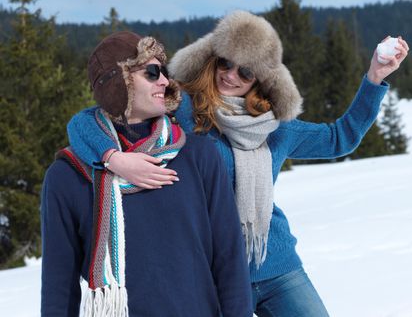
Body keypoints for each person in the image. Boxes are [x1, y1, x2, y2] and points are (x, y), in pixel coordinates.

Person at [67, 11, 409, 316]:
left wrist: (375, 77)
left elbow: (341, 137)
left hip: (277, 266)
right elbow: (87, 121)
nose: (231, 76)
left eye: (245, 71)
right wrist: (114, 158)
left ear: (260, 78)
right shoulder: (186, 110)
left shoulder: (277, 128)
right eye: (225, 63)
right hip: (214, 275)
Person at [41, 31, 253, 317]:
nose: (165, 81)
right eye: (152, 72)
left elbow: (229, 256)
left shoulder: (198, 155)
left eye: (163, 71)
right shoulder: (68, 176)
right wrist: (112, 161)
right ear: (119, 82)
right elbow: (59, 283)